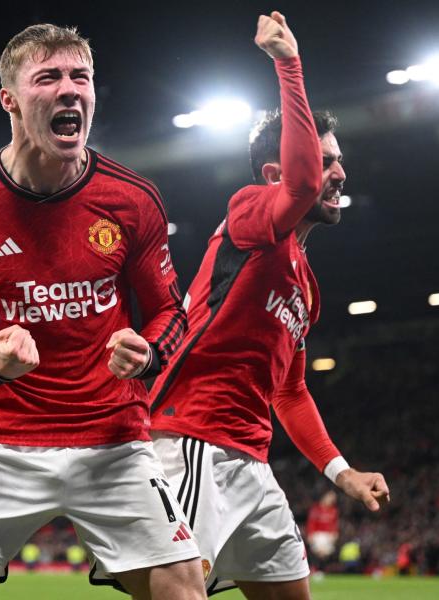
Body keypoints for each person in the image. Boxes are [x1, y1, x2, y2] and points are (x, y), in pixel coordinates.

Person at [0, 24, 205, 600]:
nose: (70, 90)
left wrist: (149, 352)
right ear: (10, 99)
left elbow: (172, 313)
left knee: (185, 593)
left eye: (81, 77)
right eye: (48, 78)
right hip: (1, 443)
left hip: (115, 442)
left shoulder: (133, 198)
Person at [148, 12, 390, 599]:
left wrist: (344, 473)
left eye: (337, 161)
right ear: (278, 170)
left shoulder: (306, 286)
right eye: (327, 159)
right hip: (190, 444)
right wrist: (289, 64)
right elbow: (301, 186)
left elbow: (291, 391)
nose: (340, 172)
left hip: (252, 462)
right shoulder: (252, 211)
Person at [305, 491, 339, 574]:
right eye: (330, 498)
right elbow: (311, 523)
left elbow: (334, 524)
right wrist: (310, 535)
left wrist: (335, 534)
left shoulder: (334, 511)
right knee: (318, 551)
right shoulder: (315, 509)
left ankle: (324, 571)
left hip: (328, 536)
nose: (332, 500)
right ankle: (315, 569)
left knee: (327, 552)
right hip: (317, 535)